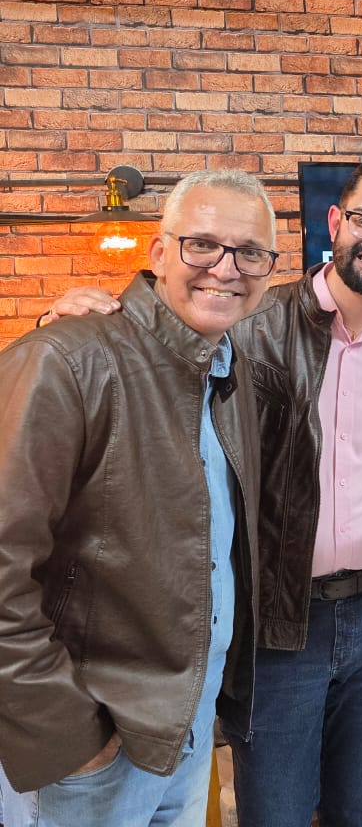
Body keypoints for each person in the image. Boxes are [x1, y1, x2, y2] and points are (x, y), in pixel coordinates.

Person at [42, 155, 362, 827]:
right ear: (335, 222)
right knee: (275, 812)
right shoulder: (248, 320)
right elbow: (150, 353)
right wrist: (77, 319)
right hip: (274, 620)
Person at [0, 170, 277, 827]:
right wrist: (71, 737)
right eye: (202, 244)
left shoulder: (230, 374)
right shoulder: (67, 359)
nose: (226, 269)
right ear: (159, 251)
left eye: (249, 252)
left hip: (184, 728)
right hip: (95, 744)